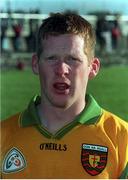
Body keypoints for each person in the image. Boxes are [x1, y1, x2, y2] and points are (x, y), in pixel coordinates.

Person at [1, 12, 128, 179]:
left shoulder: (122, 138)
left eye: (73, 59)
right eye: (51, 58)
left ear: (93, 67)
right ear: (35, 64)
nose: (61, 69)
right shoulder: (4, 136)